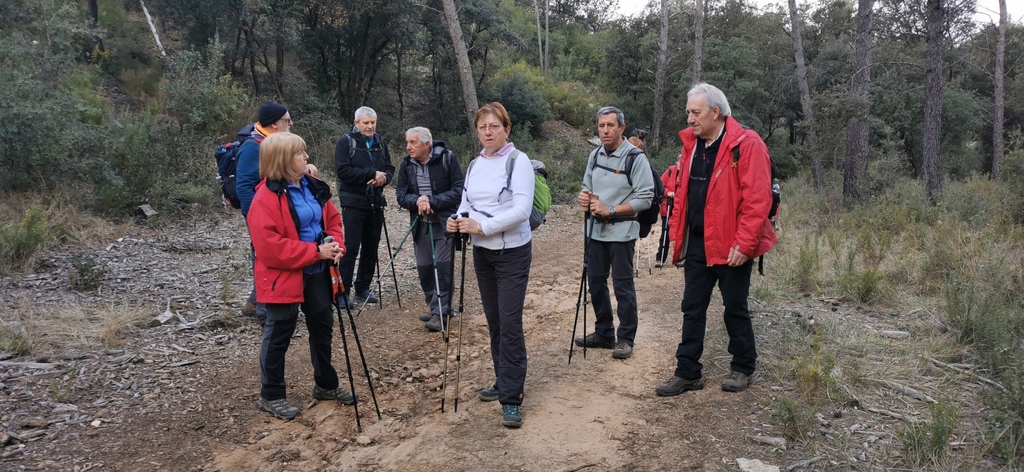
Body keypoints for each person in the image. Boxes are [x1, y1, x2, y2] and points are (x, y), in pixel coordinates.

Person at [656, 83, 777, 397]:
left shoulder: (746, 144)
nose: (690, 119)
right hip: (698, 242)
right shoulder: (692, 146)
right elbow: (682, 194)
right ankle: (687, 372)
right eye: (688, 113)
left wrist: (745, 244)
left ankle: (743, 367)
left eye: (695, 113)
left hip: (732, 243)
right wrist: (678, 238)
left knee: (734, 307)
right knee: (692, 307)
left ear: (716, 112)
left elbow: (757, 200)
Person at [246, 132, 357, 420]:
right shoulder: (264, 198)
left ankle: (326, 385)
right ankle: (271, 395)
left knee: (322, 327)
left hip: (318, 272)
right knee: (279, 333)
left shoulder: (312, 186)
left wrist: (335, 245)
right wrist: (315, 252)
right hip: (283, 277)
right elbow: (269, 249)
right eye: (300, 154)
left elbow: (332, 219)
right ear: (282, 160)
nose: (307, 158)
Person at [447, 102, 533, 429]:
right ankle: (503, 380)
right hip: (482, 254)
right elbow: (465, 203)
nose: (487, 132)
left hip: (512, 253)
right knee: (496, 323)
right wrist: (457, 221)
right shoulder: (474, 165)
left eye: (494, 126)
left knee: (510, 324)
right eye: (482, 126)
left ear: (506, 129)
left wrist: (481, 227)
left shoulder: (518, 161)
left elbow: (522, 209)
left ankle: (511, 397)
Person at [574, 106, 655, 361]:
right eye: (601, 126)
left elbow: (646, 198)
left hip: (622, 232)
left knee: (622, 286)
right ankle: (604, 332)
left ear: (622, 127)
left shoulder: (635, 157)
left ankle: (626, 338)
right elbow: (587, 185)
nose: (605, 130)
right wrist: (584, 197)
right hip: (595, 231)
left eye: (610, 125)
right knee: (596, 283)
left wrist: (610, 209)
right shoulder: (594, 155)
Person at [394, 127, 465, 332]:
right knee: (424, 268)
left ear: (427, 144)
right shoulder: (407, 164)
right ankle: (435, 306)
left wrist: (432, 200)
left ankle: (441, 312)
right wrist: (417, 200)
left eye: (413, 142)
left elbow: (459, 191)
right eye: (408, 142)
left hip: (444, 223)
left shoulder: (448, 159)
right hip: (421, 224)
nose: (408, 147)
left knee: (443, 267)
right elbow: (400, 194)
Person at [236, 101, 293, 326]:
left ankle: (254, 303)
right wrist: (256, 219)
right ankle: (264, 313)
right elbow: (244, 187)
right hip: (261, 216)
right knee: (263, 259)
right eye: (287, 120)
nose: (291, 124)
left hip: (277, 213)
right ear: (274, 124)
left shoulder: (273, 142)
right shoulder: (253, 147)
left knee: (272, 256)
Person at [334, 107, 395, 307]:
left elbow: (389, 168)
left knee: (371, 246)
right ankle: (342, 292)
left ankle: (363, 288)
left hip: (375, 201)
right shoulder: (345, 143)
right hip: (353, 202)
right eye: (365, 123)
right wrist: (371, 174)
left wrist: (383, 179)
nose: (369, 126)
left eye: (372, 123)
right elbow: (343, 171)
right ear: (356, 122)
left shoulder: (380, 142)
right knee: (350, 247)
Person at [655, 164, 680, 268]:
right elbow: (660, 186)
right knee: (665, 233)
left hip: (679, 209)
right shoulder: (670, 171)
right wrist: (668, 193)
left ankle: (679, 257)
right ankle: (660, 258)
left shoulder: (687, 172)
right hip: (668, 207)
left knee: (679, 234)